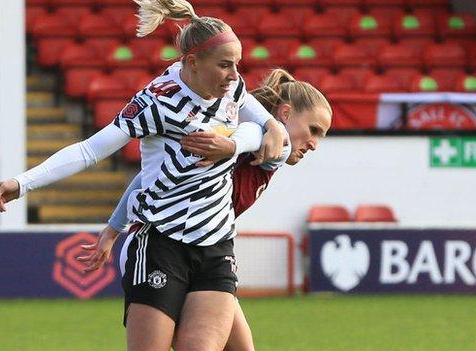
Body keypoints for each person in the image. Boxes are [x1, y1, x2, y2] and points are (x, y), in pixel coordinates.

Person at [0, 1, 291, 350]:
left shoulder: (230, 86)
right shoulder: (155, 104)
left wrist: (262, 129)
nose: (235, 74)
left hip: (216, 243)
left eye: (236, 64)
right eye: (224, 65)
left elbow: (260, 123)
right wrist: (21, 183)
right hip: (160, 242)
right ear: (191, 62)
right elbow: (89, 150)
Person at [80, 68, 333, 351]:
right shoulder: (233, 134)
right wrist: (114, 230)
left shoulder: (264, 149)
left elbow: (262, 136)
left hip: (207, 250)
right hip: (159, 244)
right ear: (284, 114)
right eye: (313, 130)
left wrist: (238, 143)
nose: (314, 144)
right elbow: (151, 177)